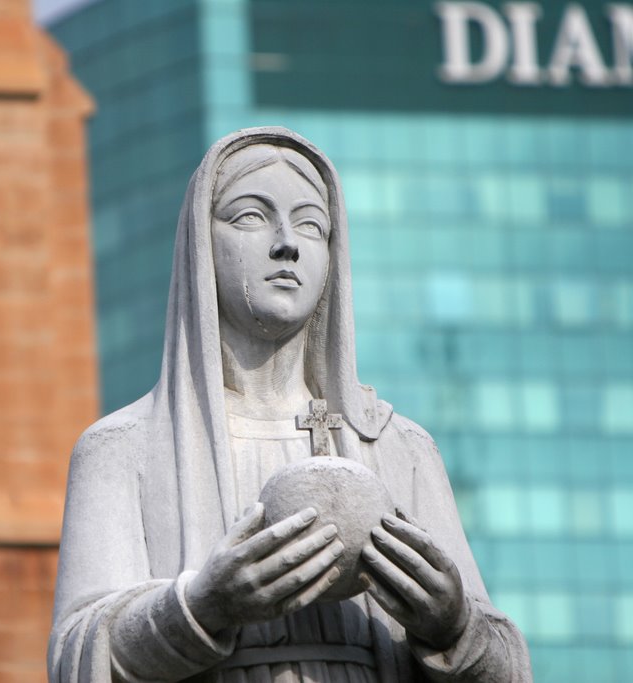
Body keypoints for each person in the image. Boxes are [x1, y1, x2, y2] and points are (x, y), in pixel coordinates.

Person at [48, 127, 532, 682]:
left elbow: (506, 668)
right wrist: (205, 605)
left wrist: (452, 625)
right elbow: (77, 659)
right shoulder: (124, 447)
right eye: (251, 216)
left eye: (311, 224)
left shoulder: (399, 447)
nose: (287, 243)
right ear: (201, 245)